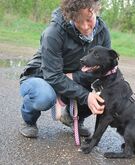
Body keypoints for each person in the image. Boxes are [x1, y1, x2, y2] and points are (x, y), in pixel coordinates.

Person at [19, 0, 111, 138]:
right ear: (70, 17)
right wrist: (85, 96)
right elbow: (53, 76)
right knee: (44, 96)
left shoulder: (103, 32)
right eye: (78, 21)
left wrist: (75, 77)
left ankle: (70, 116)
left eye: (88, 19)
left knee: (100, 98)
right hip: (41, 77)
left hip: (71, 78)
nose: (85, 27)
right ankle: (29, 121)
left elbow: (104, 69)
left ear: (96, 10)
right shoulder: (53, 33)